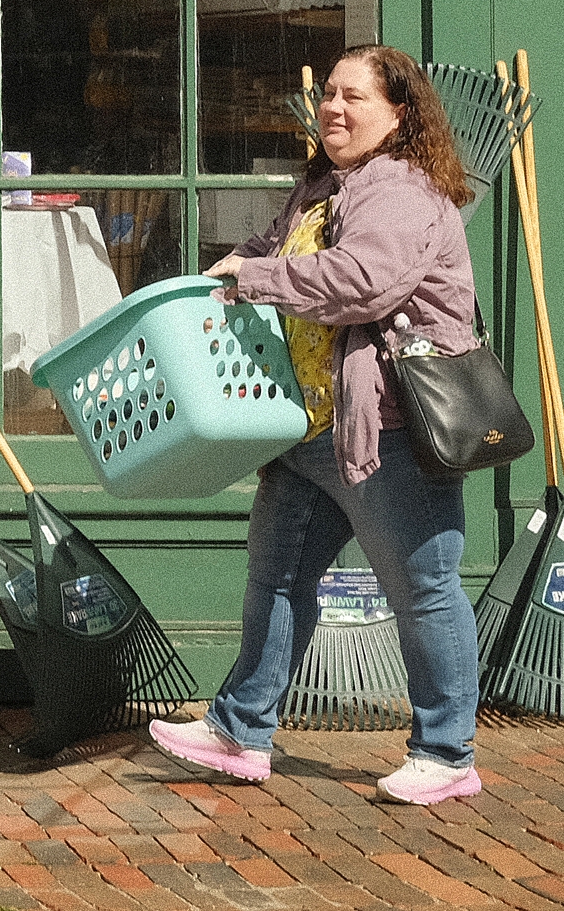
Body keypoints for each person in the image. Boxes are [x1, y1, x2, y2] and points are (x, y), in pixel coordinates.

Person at [150, 44, 483, 805]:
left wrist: (255, 278)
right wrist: (219, 273)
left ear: (399, 114)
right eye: (327, 94)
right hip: (308, 429)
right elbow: (270, 251)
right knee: (274, 580)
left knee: (423, 590)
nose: (332, 107)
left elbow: (361, 282)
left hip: (385, 430)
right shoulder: (325, 186)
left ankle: (446, 752)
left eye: (353, 97)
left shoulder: (397, 188)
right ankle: (239, 730)